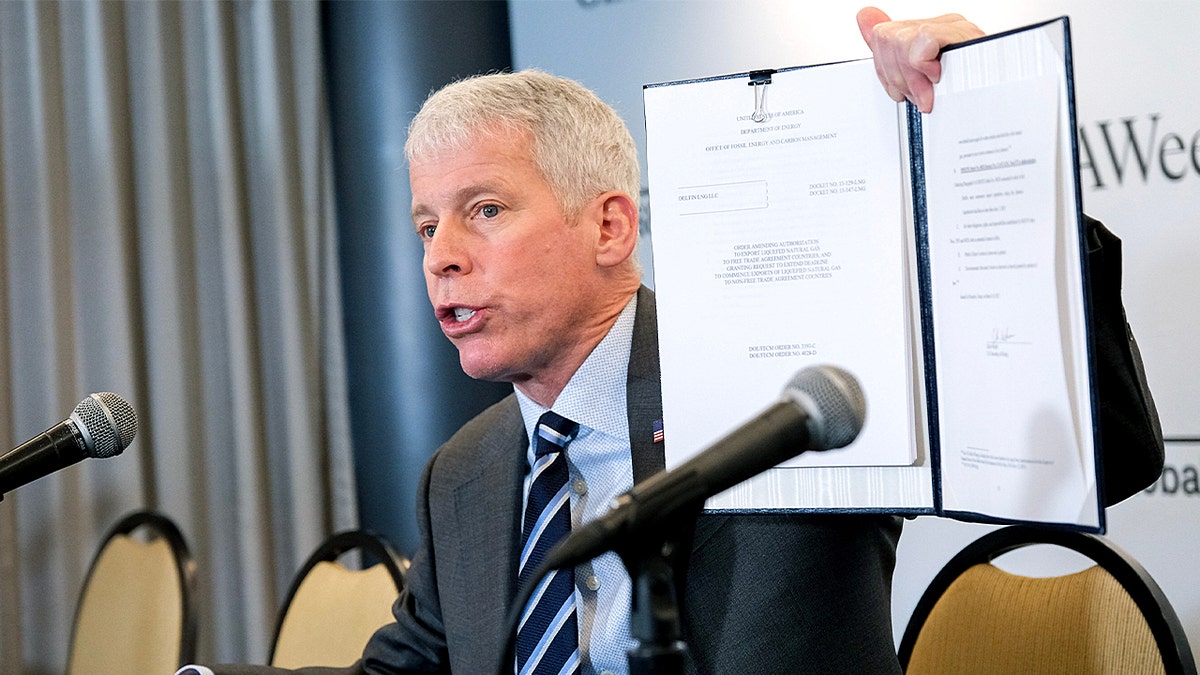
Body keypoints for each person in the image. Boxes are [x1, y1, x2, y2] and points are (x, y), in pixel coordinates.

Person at [182, 7, 1163, 674]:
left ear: (611, 226)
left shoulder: (778, 401)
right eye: (426, 225)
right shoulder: (468, 472)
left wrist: (986, 122)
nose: (442, 255)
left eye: (484, 210)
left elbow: (1103, 452)